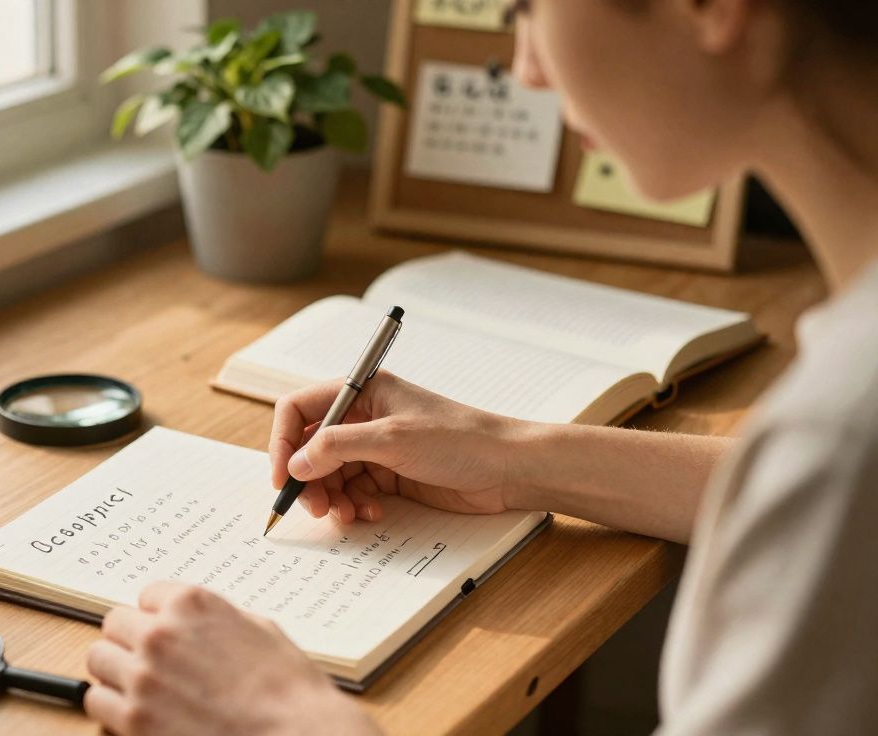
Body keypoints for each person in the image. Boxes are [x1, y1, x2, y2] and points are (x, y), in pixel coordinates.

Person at [82, 0, 878, 732]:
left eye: (525, 7)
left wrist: (283, 716)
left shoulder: (842, 431)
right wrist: (514, 457)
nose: (526, 68)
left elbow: (833, 481)